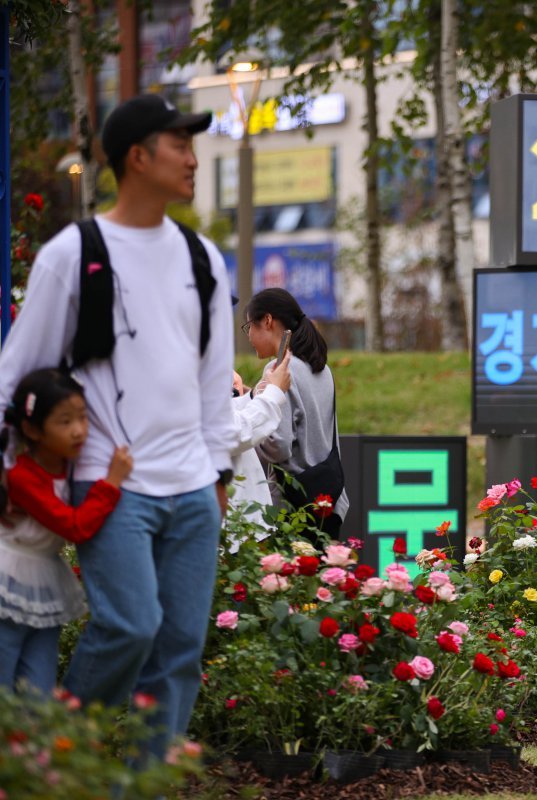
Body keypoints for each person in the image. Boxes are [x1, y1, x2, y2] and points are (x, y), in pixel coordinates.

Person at [0, 94, 237, 758]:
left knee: (181, 652)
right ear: (137, 157)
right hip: (114, 482)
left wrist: (218, 474)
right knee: (132, 627)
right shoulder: (72, 254)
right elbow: (18, 373)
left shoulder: (202, 259)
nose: (193, 159)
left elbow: (215, 380)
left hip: (192, 486)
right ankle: (55, 753)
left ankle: (138, 781)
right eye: (179, 145)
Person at [0, 369, 132, 693]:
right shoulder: (21, 476)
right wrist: (111, 483)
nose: (79, 431)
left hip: (44, 576)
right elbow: (74, 527)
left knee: (38, 688)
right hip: (9, 578)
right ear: (31, 429)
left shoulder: (69, 465)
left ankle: (37, 742)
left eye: (83, 418)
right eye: (64, 421)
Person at [244, 288, 347, 535]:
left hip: (294, 508)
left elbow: (279, 446)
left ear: (267, 321)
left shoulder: (280, 368)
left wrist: (246, 434)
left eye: (249, 326)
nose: (248, 336)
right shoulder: (320, 367)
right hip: (329, 501)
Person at [229, 351, 291, 533]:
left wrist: (254, 395)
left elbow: (222, 416)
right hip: (233, 526)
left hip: (243, 522)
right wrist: (272, 393)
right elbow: (230, 433)